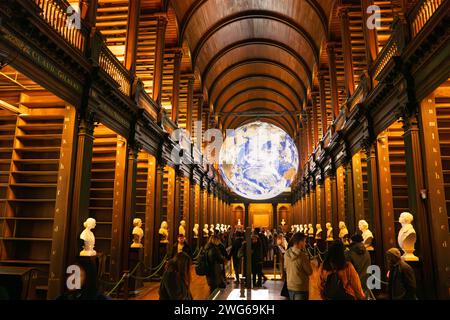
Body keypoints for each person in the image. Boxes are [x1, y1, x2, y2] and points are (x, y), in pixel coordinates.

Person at [284, 232, 313, 300]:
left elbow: (285, 268)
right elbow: (309, 271)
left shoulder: (286, 253)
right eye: (304, 241)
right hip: (300, 287)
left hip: (290, 285)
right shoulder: (302, 256)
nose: (305, 243)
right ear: (300, 242)